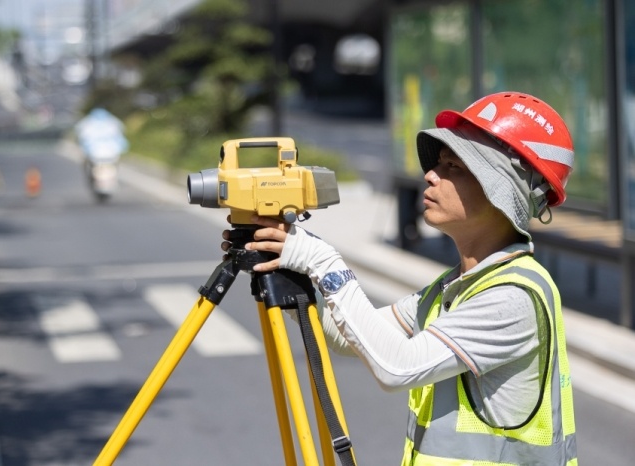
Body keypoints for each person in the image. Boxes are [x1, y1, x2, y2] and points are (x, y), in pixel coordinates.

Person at [222, 91, 578, 465]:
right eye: (438, 162)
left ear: (500, 192)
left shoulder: (512, 296)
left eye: (454, 167)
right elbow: (353, 337)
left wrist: (323, 260)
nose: (430, 174)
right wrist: (295, 280)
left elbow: (398, 367)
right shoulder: (457, 286)